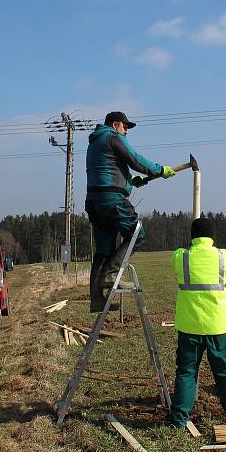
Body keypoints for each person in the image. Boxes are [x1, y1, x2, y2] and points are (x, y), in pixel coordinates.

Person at [85, 111, 176, 312]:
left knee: (103, 251)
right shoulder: (113, 137)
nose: (126, 131)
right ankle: (111, 273)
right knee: (137, 234)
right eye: (125, 126)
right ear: (115, 124)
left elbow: (109, 168)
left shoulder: (96, 142)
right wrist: (160, 170)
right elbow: (135, 159)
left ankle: (96, 299)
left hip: (95, 201)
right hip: (112, 200)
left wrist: (131, 182)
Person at [168, 217, 226, 427]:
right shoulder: (224, 256)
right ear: (212, 236)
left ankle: (179, 419)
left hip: (189, 325)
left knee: (186, 372)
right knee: (225, 370)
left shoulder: (180, 256)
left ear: (192, 236)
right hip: (217, 325)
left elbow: (177, 269)